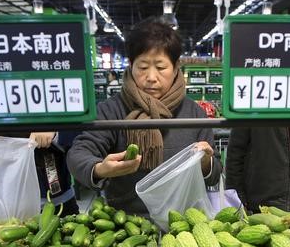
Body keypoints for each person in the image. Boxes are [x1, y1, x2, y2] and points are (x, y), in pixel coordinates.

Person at [67, 18, 221, 213]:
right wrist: (99, 169)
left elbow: (215, 173)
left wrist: (206, 163)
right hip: (127, 222)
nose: (151, 77)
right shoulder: (112, 110)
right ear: (131, 65)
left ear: (175, 68)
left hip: (184, 220)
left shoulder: (193, 113)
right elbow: (78, 153)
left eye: (160, 67)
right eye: (142, 67)